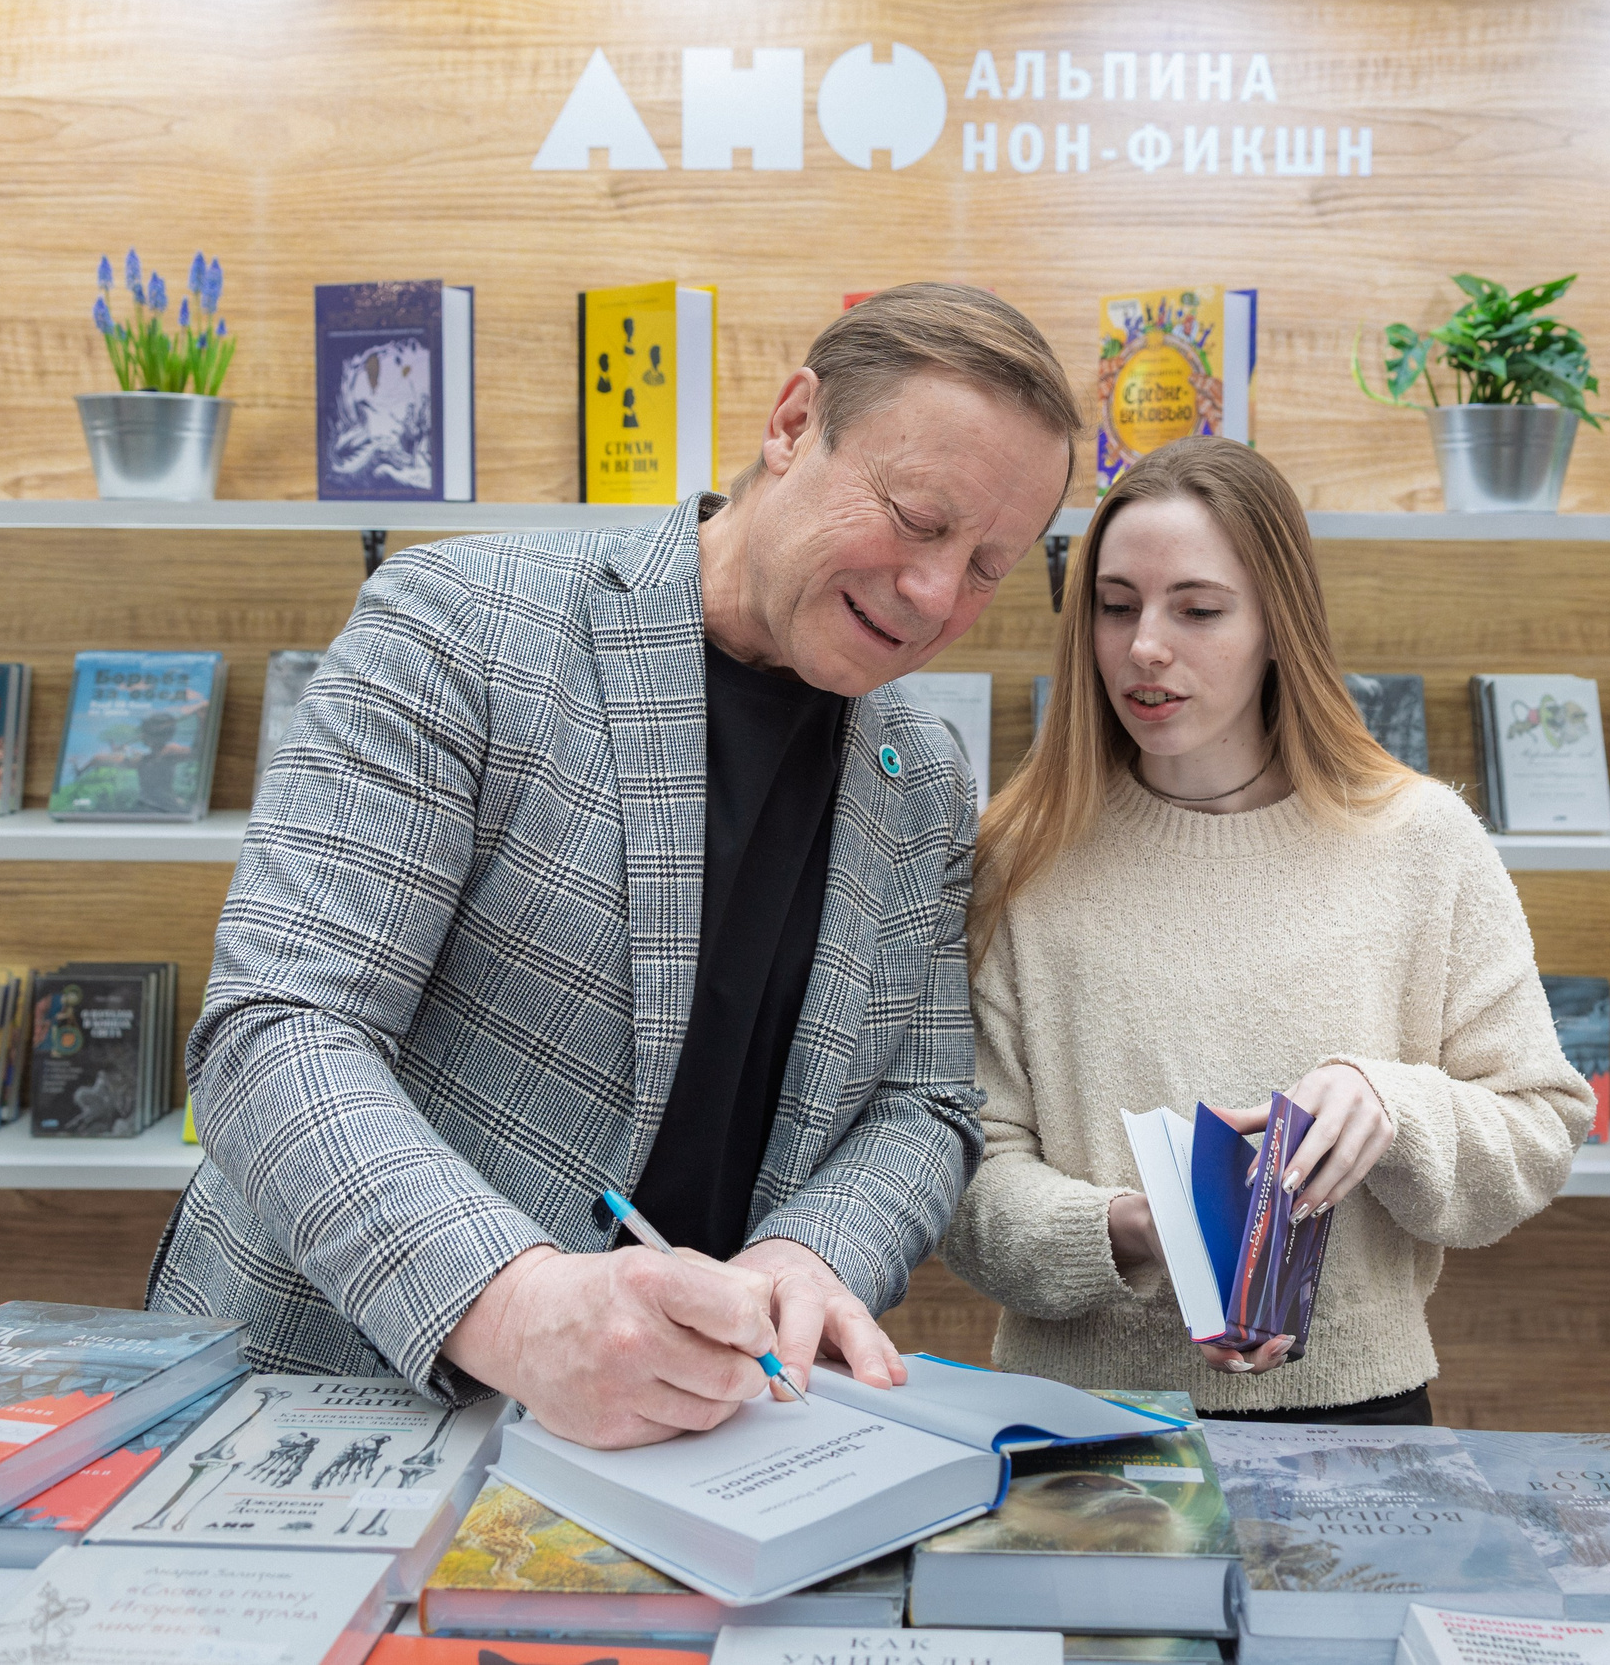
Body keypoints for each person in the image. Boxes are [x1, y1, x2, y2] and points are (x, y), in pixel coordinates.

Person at [148, 284, 1079, 1449]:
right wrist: (516, 1305)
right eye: (918, 518)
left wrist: (811, 1247)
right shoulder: (460, 626)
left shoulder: (925, 775)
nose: (940, 595)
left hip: (705, 1436)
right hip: (335, 1394)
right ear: (791, 425)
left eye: (989, 565)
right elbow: (275, 1030)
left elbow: (923, 1102)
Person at [939, 435, 1592, 1426]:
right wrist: (1131, 1230)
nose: (1145, 646)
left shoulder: (1419, 842)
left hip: (1354, 1418)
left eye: (1196, 610)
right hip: (1079, 1421)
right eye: (1115, 607)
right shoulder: (1017, 856)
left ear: (1279, 626)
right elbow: (959, 1175)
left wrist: (1390, 1106)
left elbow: (1537, 1134)